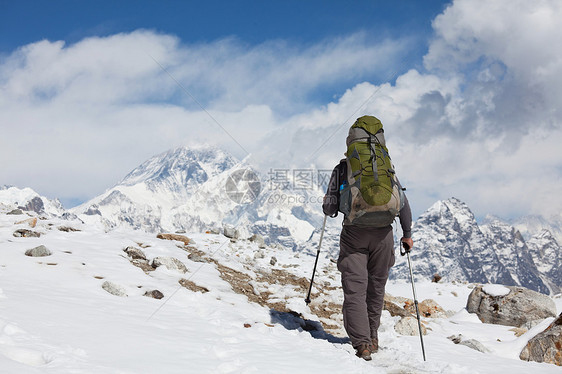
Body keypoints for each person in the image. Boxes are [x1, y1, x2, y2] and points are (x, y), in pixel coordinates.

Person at [322, 116, 413, 361]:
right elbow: (403, 205)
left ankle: (362, 344)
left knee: (355, 291)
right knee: (376, 290)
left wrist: (331, 205)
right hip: (384, 235)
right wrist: (407, 235)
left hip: (354, 235)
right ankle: (373, 337)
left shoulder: (343, 167)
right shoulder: (386, 167)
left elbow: (329, 208)